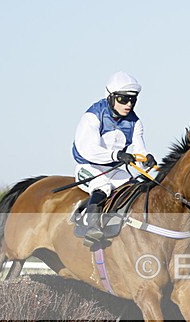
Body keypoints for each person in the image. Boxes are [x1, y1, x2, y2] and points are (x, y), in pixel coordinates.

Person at [72, 71, 157, 242]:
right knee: (102, 186)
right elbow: (87, 149)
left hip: (114, 169)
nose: (129, 104)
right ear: (110, 97)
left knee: (136, 188)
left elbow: (139, 148)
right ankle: (91, 226)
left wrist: (147, 160)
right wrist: (116, 154)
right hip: (89, 167)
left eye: (132, 100)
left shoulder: (135, 122)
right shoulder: (93, 116)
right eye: (123, 99)